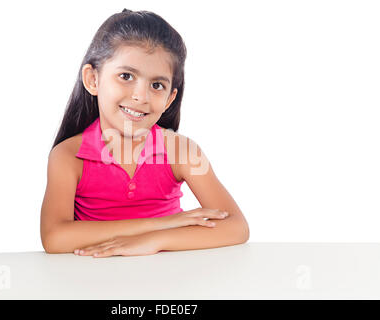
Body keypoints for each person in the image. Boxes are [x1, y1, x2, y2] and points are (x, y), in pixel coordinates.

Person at [40, 8, 249, 257]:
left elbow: (236, 227)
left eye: (157, 85)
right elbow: (55, 237)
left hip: (166, 282)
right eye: (126, 76)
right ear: (93, 80)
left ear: (170, 98)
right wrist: (159, 224)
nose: (141, 96)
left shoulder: (181, 151)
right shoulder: (68, 156)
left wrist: (154, 241)